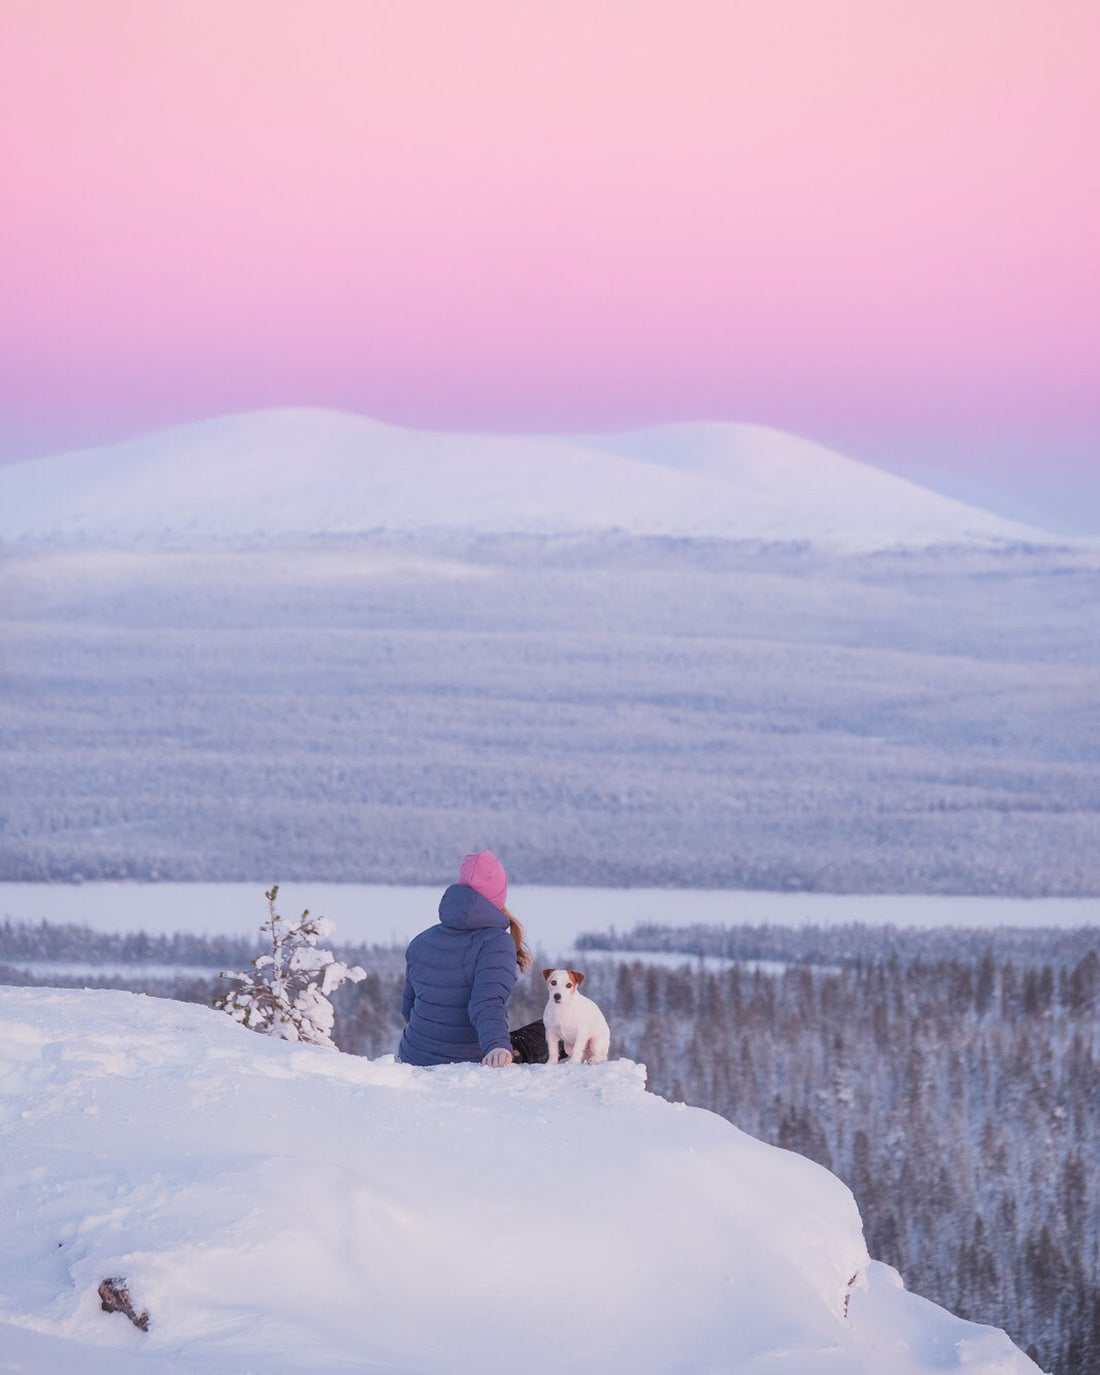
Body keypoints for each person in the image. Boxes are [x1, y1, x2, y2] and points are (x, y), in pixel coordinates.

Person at [398, 850, 532, 1067]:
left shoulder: (421, 941)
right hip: (467, 1059)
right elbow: (486, 1002)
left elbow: (408, 1007)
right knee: (555, 1030)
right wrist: (497, 1046)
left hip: (412, 1054)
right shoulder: (496, 943)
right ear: (498, 895)